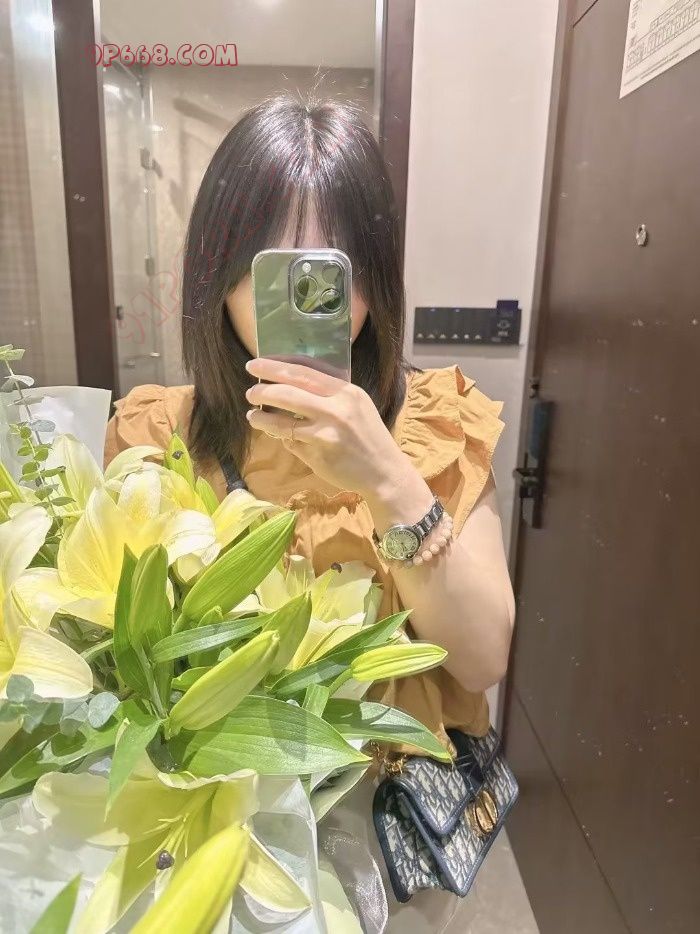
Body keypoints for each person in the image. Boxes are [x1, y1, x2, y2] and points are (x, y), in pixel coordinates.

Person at [104, 94, 515, 931]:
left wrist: (389, 480)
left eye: (327, 272)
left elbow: (479, 660)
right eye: (271, 271)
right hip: (218, 833)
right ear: (219, 273)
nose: (300, 302)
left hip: (396, 832)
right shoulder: (156, 435)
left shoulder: (434, 424)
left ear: (373, 278)